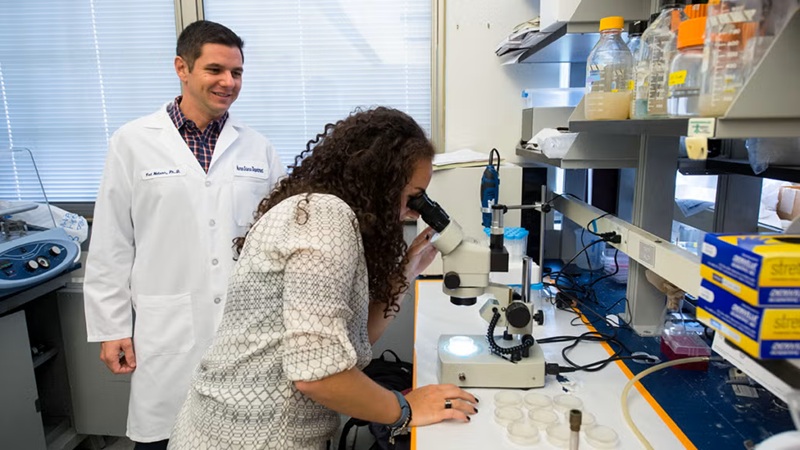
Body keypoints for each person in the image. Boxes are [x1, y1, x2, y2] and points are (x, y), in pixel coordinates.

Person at [168, 107, 478, 449]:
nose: (414, 211)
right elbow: (318, 376)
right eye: (413, 196)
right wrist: (404, 409)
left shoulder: (318, 211)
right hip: (251, 438)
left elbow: (355, 341)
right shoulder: (325, 218)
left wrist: (406, 272)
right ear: (381, 180)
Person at [83, 20, 284, 449]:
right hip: (167, 326)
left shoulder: (258, 149)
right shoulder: (133, 142)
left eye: (237, 73)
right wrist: (111, 327)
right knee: (164, 438)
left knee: (243, 437)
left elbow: (281, 234)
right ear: (182, 68)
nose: (228, 82)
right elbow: (112, 241)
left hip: (244, 333)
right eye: (215, 70)